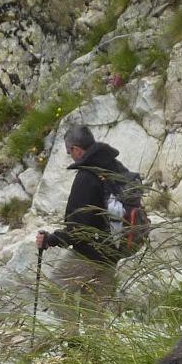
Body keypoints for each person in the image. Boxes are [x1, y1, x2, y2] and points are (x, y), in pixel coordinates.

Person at [36, 125, 126, 333]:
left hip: (90, 252)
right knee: (93, 307)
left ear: (76, 149)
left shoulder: (86, 176)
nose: (71, 157)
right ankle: (96, 358)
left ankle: (72, 338)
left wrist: (51, 239)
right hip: (113, 251)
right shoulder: (114, 167)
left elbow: (78, 225)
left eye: (69, 152)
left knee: (55, 287)